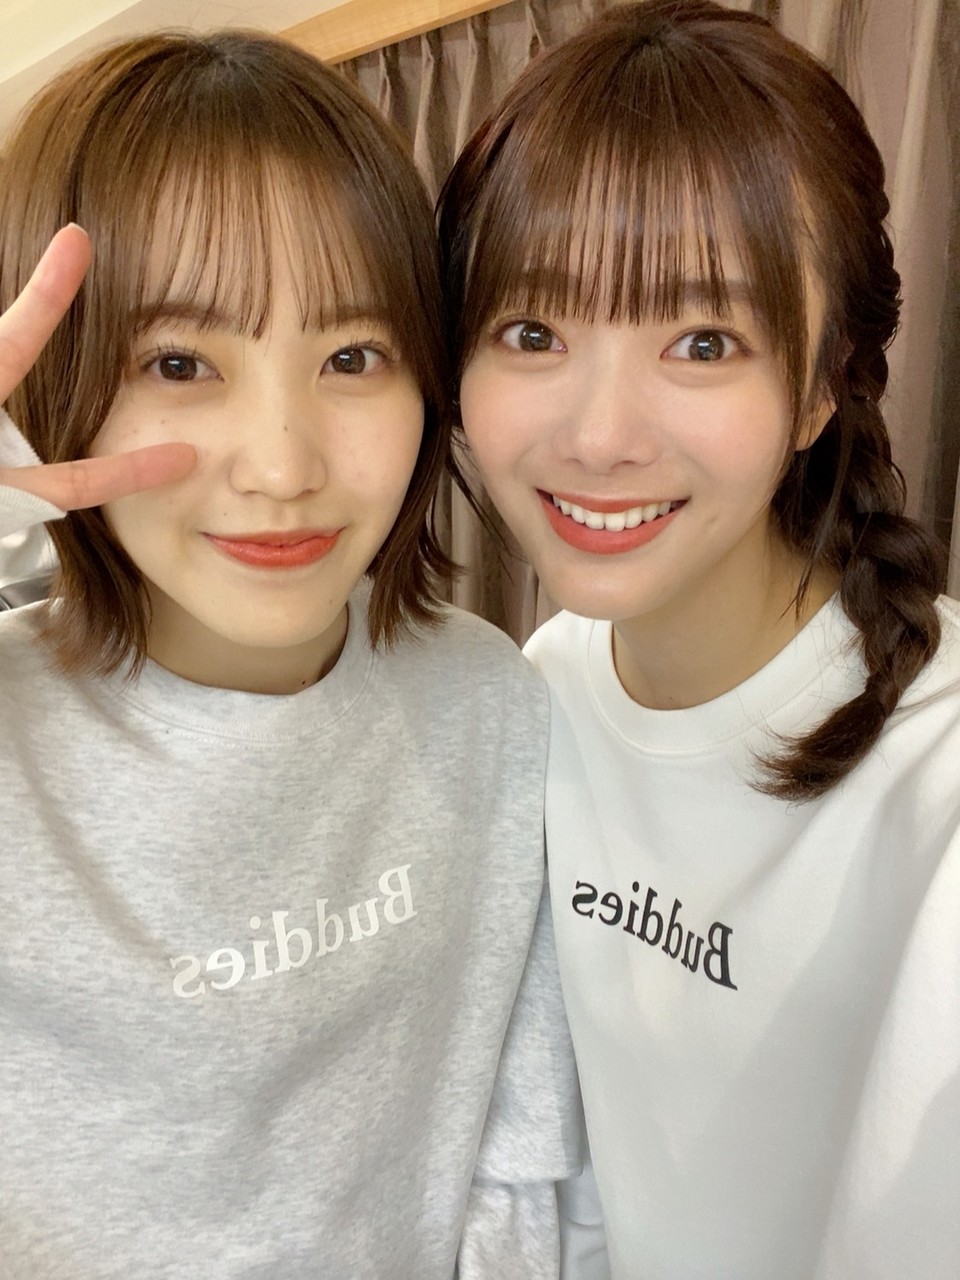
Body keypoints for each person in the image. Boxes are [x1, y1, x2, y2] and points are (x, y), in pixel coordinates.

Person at [0, 32, 583, 1277]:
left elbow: (523, 1151)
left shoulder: (491, 703)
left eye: (351, 357)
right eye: (178, 362)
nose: (282, 465)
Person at [438, 1, 960, 1276]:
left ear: (823, 383)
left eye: (703, 341)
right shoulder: (542, 687)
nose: (599, 435)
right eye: (533, 332)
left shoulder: (936, 785)